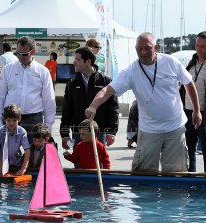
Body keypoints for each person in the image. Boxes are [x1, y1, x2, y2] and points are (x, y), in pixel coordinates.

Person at [85, 32, 202, 172]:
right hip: (149, 130)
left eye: (147, 48)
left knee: (175, 176)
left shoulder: (171, 62)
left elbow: (189, 83)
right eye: (139, 49)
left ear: (156, 47)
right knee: (143, 177)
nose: (143, 52)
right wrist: (93, 106)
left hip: (175, 128)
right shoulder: (131, 71)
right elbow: (106, 91)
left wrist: (196, 110)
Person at [0, 36, 56, 141]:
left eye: (25, 54)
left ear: (33, 51)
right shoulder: (7, 69)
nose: (21, 57)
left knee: (34, 155)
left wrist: (48, 127)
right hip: (10, 118)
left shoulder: (43, 71)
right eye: (18, 53)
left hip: (34, 118)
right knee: (9, 155)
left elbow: (49, 100)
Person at [60, 47, 119, 150]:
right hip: (78, 134)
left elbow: (113, 108)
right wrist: (64, 134)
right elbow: (66, 110)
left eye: (77, 60)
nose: (74, 63)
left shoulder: (106, 81)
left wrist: (111, 132)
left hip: (99, 134)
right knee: (79, 165)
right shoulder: (72, 83)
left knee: (98, 165)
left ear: (88, 62)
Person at [181, 32, 206, 172]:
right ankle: (191, 177)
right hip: (187, 111)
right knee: (190, 147)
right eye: (197, 45)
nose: (199, 48)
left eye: (203, 46)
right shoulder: (191, 63)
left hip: (203, 113)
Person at [0, 104, 30, 175]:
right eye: (9, 120)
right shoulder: (0, 132)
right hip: (2, 162)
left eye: (14, 120)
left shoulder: (22, 132)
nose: (11, 123)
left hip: (17, 164)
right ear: (4, 119)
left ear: (19, 119)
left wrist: (23, 168)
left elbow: (27, 150)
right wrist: (1, 166)